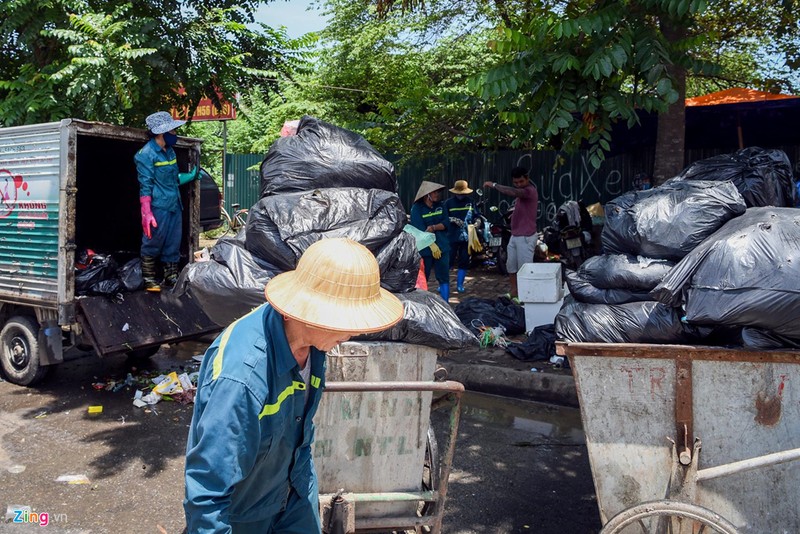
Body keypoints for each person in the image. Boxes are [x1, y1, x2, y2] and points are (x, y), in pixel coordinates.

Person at [184, 238, 403, 533]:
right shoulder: (241, 380)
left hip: (295, 494)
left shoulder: (314, 344)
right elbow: (207, 491)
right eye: (348, 322)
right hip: (245, 517)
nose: (354, 333)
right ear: (313, 312)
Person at [136, 111, 199, 292]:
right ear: (161, 132)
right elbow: (145, 185)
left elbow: (173, 179)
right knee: (153, 240)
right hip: (158, 206)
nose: (175, 134)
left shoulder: (170, 152)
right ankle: (149, 278)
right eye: (172, 131)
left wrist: (191, 176)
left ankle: (171, 277)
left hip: (174, 204)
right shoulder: (146, 154)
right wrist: (146, 212)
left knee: (173, 240)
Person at [483, 166, 538, 303]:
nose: (519, 185)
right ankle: (514, 292)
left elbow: (512, 192)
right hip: (515, 235)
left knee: (524, 269)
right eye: (516, 182)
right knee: (511, 266)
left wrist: (494, 185)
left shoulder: (529, 191)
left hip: (526, 236)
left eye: (521, 181)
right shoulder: (522, 194)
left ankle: (525, 296)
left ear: (527, 179)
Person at [410, 181, 450, 301]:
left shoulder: (441, 206)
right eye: (435, 192)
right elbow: (419, 230)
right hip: (425, 249)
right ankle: (423, 304)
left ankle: (446, 304)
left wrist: (433, 227)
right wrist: (430, 243)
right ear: (427, 194)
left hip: (442, 246)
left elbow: (446, 223)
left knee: (444, 277)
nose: (437, 194)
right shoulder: (417, 209)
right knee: (423, 277)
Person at [443, 179, 474, 293]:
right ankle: (444, 282)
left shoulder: (470, 202)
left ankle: (460, 285)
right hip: (451, 236)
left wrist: (477, 222)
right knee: (448, 261)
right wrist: (452, 219)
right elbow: (443, 218)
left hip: (466, 236)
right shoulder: (448, 203)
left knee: (464, 260)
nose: (460, 195)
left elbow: (476, 215)